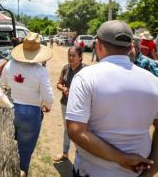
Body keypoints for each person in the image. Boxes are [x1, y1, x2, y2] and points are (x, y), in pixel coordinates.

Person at [66, 20, 158, 177]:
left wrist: (122, 159)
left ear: (98, 45)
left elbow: (75, 131)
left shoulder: (86, 77)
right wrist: (151, 170)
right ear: (130, 47)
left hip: (92, 172)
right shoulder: (153, 81)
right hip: (137, 173)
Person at [0, 32, 54, 176]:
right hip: (30, 114)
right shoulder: (41, 71)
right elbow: (48, 96)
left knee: (10, 144)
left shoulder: (9, 65)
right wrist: (47, 106)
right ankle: (23, 171)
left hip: (11, 109)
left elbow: (3, 85)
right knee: (25, 149)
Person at [53, 46, 86, 162]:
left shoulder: (87, 70)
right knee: (68, 128)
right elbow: (58, 84)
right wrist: (63, 89)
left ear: (80, 57)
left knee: (82, 129)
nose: (70, 58)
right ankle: (65, 153)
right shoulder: (65, 68)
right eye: (69, 55)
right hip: (65, 104)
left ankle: (83, 155)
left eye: (73, 56)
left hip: (81, 106)